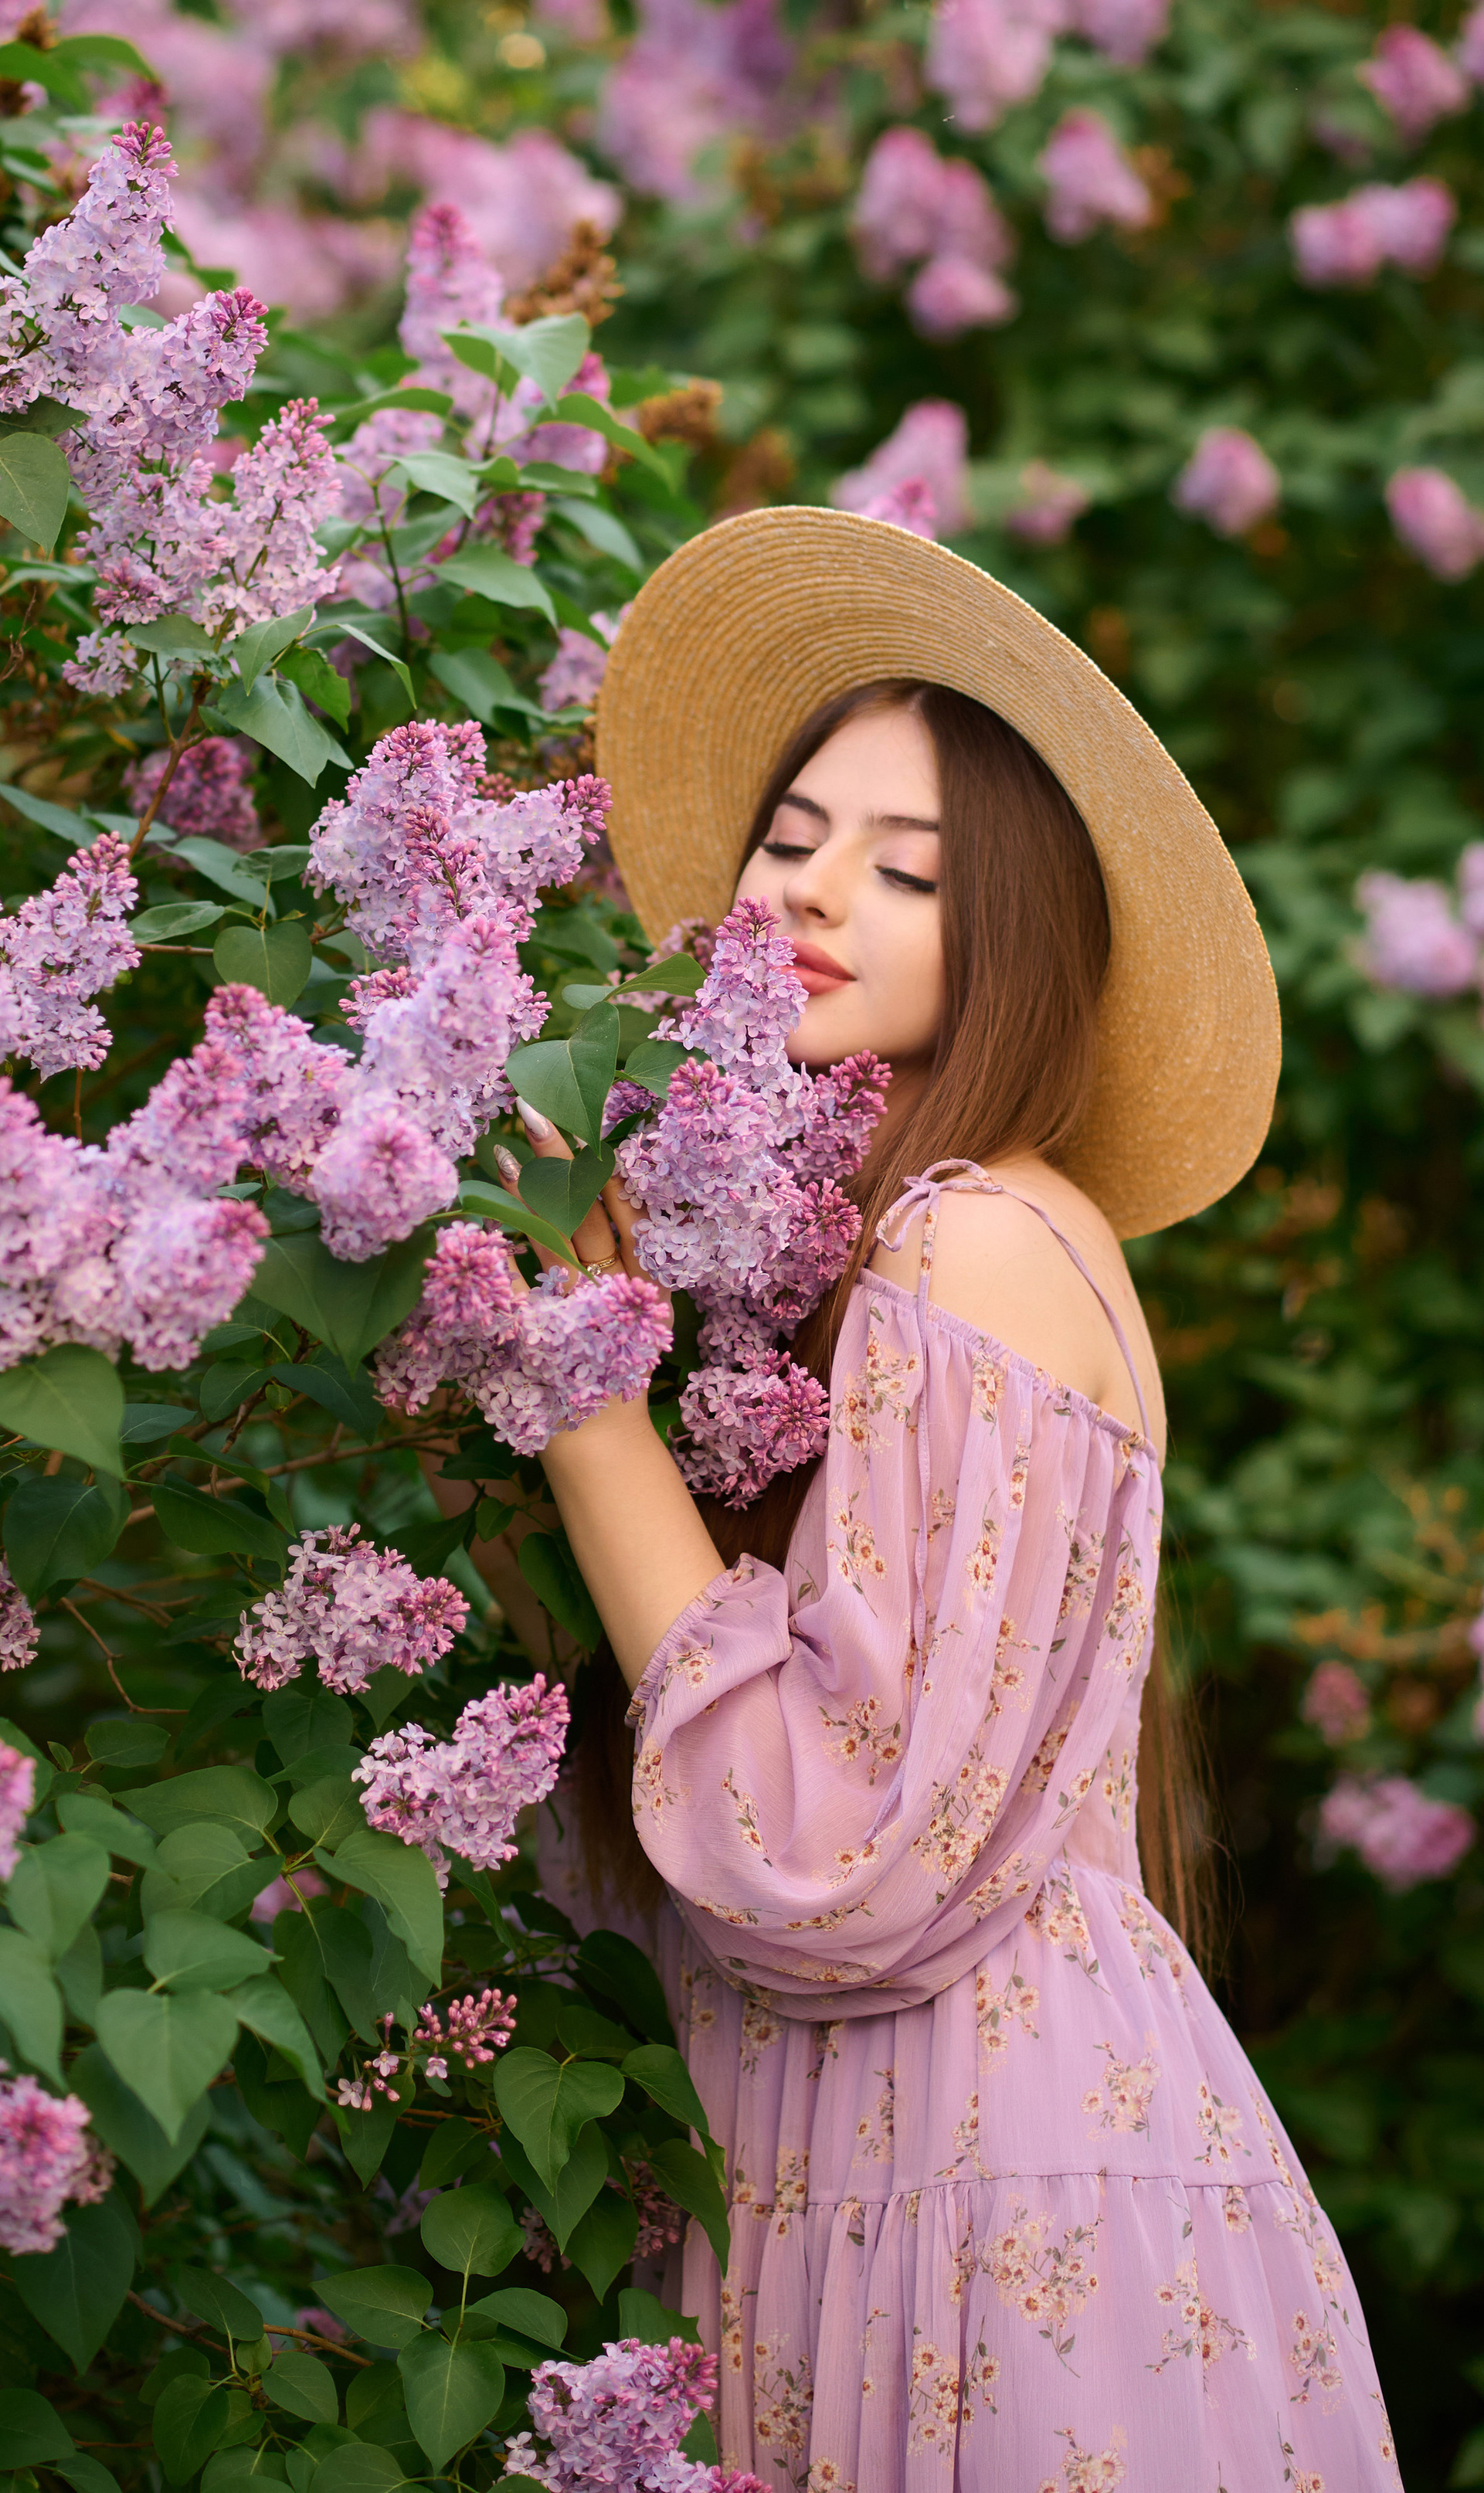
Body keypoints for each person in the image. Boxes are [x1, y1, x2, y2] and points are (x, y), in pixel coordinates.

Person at [487, 510, 1401, 2488]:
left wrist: (574, 1377)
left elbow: (818, 1843)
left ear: (1011, 944)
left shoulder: (969, 1245)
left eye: (907, 870)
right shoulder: (863, 1259)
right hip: (861, 2177)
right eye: (793, 836)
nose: (815, 893)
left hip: (988, 2212)